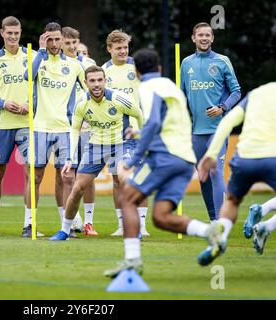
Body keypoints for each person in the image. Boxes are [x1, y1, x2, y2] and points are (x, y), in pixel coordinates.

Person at [104, 49, 200, 277]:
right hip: (186, 159)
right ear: (159, 68)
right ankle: (211, 231)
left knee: (127, 198)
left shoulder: (146, 87)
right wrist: (139, 132)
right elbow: (169, 122)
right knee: (161, 217)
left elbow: (155, 121)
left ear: (136, 72)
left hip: (164, 157)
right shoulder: (169, 85)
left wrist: (132, 161)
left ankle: (132, 260)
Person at [49, 65, 143, 241]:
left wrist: (142, 140)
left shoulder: (119, 98)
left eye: (100, 80)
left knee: (125, 182)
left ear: (105, 81)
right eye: (92, 81)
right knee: (77, 188)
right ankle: (64, 230)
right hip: (96, 146)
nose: (96, 84)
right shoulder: (81, 103)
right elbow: (75, 129)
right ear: (85, 83)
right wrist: (70, 158)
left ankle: (134, 228)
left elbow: (139, 115)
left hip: (122, 144)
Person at [197, 82, 276, 260]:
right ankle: (267, 226)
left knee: (231, 201)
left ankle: (221, 239)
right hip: (273, 157)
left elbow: (227, 121)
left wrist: (210, 154)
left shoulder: (256, 93)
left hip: (245, 156)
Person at [24, 22, 85, 237]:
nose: (54, 43)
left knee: (67, 178)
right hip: (40, 127)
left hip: (65, 130)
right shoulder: (38, 60)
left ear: (62, 39)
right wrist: (40, 50)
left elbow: (88, 93)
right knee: (36, 177)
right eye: (49, 39)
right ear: (44, 39)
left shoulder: (75, 65)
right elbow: (28, 77)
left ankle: (65, 226)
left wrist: (86, 118)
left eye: (57, 39)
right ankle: (29, 224)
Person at [0, 16, 37, 238]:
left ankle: (29, 223)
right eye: (9, 33)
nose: (13, 37)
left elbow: (42, 91)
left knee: (31, 172)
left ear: (21, 32)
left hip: (27, 124)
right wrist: (3, 103)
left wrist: (30, 105)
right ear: (1, 33)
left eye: (17, 33)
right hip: (3, 125)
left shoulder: (32, 57)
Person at [180, 22, 241, 221]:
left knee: (215, 174)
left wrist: (222, 107)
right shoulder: (186, 63)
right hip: (196, 132)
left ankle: (221, 222)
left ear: (212, 38)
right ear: (193, 38)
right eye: (201, 35)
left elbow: (236, 91)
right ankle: (213, 220)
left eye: (208, 35)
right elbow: (181, 96)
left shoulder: (222, 61)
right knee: (203, 177)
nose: (204, 38)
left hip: (218, 129)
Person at [102, 30, 149, 237]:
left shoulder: (137, 67)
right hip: (112, 132)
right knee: (116, 179)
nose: (123, 51)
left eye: (125, 47)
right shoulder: (104, 70)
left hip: (137, 131)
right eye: (118, 48)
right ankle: (122, 224)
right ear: (109, 49)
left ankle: (142, 224)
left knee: (138, 177)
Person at [61, 26, 97, 235]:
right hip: (66, 126)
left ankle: (88, 222)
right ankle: (72, 219)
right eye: (69, 43)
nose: (73, 47)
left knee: (87, 175)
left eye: (75, 43)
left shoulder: (90, 65)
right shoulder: (58, 64)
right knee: (66, 176)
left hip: (88, 128)